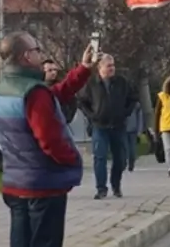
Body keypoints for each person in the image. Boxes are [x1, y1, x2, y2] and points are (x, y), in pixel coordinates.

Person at [0, 32, 93, 247]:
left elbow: (55, 97)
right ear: (26, 56)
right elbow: (49, 138)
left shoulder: (5, 87)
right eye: (37, 49)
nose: (41, 54)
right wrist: (71, 160)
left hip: (16, 184)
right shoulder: (33, 92)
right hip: (42, 186)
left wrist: (82, 70)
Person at [76, 54, 138, 200]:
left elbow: (133, 98)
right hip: (100, 126)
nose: (112, 68)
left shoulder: (121, 82)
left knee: (120, 158)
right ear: (100, 67)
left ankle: (116, 185)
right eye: (109, 66)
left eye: (113, 65)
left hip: (118, 126)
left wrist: (125, 112)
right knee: (100, 157)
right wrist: (92, 115)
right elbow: (82, 101)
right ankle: (101, 189)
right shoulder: (92, 84)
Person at [41, 60, 79, 125]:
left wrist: (64, 118)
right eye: (50, 70)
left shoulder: (62, 87)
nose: (53, 72)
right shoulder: (37, 87)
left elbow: (73, 103)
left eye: (55, 70)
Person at [124, 100, 144, 173]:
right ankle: (125, 163)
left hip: (132, 130)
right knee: (125, 148)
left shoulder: (136, 104)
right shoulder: (120, 101)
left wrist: (139, 130)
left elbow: (140, 117)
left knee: (131, 149)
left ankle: (130, 163)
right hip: (123, 129)